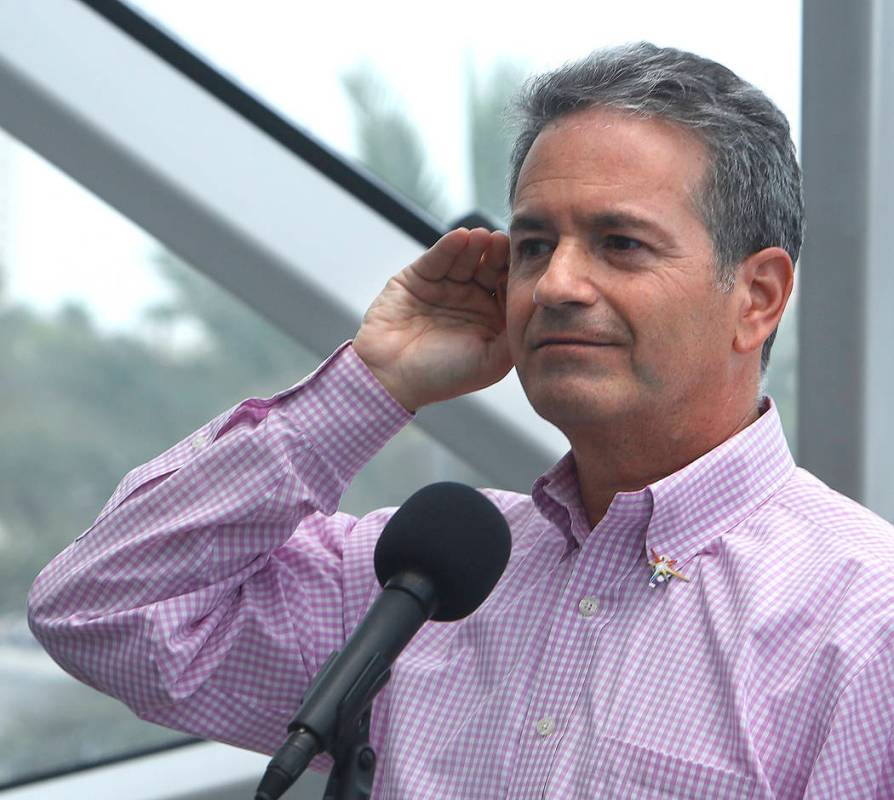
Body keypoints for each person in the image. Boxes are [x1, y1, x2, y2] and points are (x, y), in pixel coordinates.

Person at [28, 42, 894, 799]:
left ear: (758, 296)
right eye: (532, 245)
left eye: (620, 243)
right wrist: (376, 383)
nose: (556, 284)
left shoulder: (864, 626)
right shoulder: (421, 578)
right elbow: (99, 609)